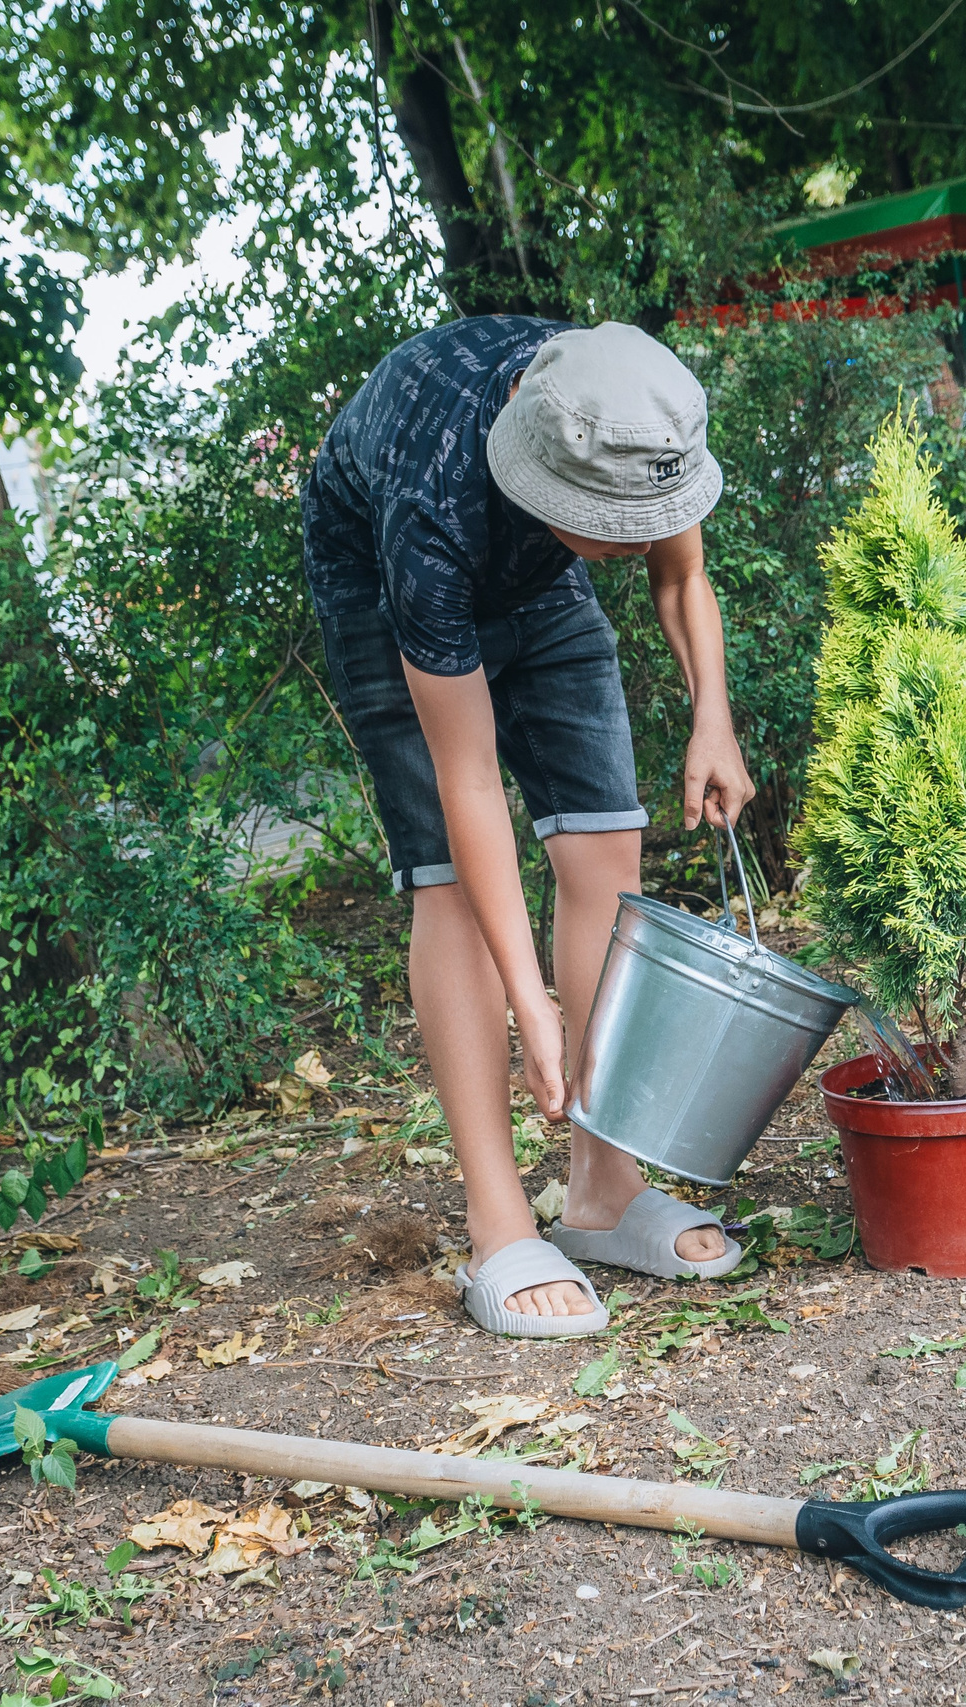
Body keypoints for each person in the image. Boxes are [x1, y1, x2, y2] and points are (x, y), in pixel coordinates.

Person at [303, 317, 755, 1339]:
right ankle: (498, 1221)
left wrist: (711, 720)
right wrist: (530, 1003)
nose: (635, 542)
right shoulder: (430, 507)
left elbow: (677, 573)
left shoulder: (632, 420)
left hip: (533, 575)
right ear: (540, 478)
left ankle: (602, 1187)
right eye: (612, 525)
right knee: (448, 881)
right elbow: (469, 786)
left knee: (605, 843)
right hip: (385, 595)